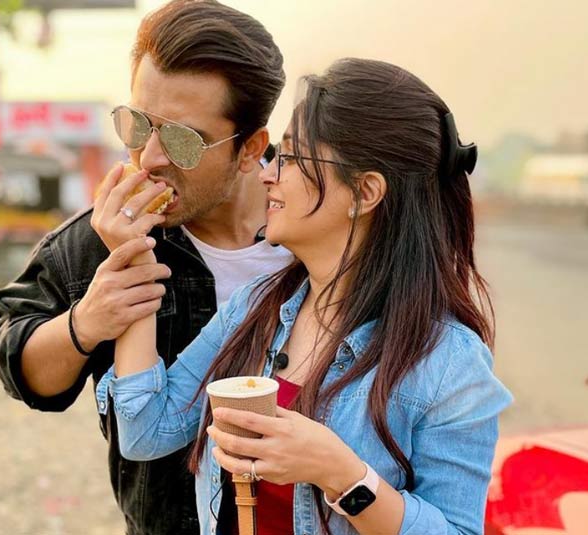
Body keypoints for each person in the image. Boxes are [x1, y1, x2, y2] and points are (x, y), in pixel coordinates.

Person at [96, 58, 514, 535]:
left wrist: (341, 473)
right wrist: (133, 255)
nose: (267, 174)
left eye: (292, 158)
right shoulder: (256, 308)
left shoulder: (448, 363)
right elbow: (145, 430)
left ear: (365, 192)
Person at [0, 1, 290, 534]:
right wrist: (86, 323)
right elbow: (20, 365)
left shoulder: (318, 222)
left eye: (182, 140)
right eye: (139, 125)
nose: (149, 157)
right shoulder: (94, 241)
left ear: (250, 149)